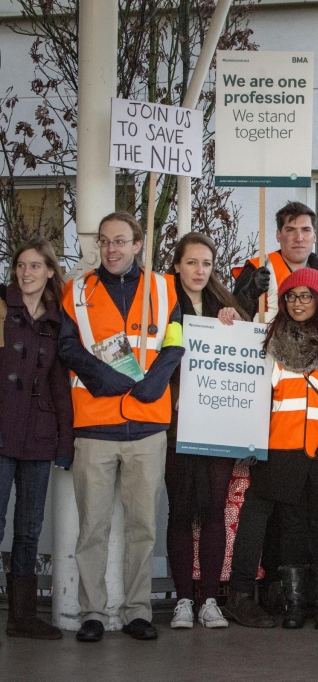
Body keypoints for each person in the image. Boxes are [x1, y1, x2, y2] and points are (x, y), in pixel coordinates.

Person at [59, 211, 185, 642]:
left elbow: (175, 339)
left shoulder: (164, 287)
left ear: (138, 244)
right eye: (105, 242)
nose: (112, 249)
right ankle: (92, 613)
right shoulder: (76, 291)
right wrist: (100, 376)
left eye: (121, 241)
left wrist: (158, 378)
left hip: (148, 427)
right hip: (95, 426)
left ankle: (137, 611)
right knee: (92, 527)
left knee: (142, 527)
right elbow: (66, 345)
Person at [224, 268, 318, 631]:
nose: (298, 303)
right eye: (291, 296)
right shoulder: (269, 338)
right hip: (280, 449)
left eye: (306, 296)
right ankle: (294, 604)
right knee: (290, 527)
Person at [164, 233, 249, 630]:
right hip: (176, 424)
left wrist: (235, 324)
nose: (200, 271)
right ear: (177, 264)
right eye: (192, 262)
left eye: (206, 264)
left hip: (218, 424)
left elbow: (246, 356)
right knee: (181, 511)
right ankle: (183, 599)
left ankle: (211, 599)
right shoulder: (162, 304)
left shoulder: (225, 307)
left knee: (214, 511)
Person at [0, 238, 71, 641]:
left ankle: (22, 618)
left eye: (34, 266)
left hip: (39, 435)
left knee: (28, 529)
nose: (26, 273)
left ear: (49, 271)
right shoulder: (1, 307)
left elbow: (60, 386)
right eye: (20, 265)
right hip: (2, 428)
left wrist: (65, 443)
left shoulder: (57, 320)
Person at [232, 201, 318, 322]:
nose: (299, 238)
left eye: (306, 230)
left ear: (315, 236)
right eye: (290, 230)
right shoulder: (258, 270)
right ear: (279, 235)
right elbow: (234, 319)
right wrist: (249, 295)